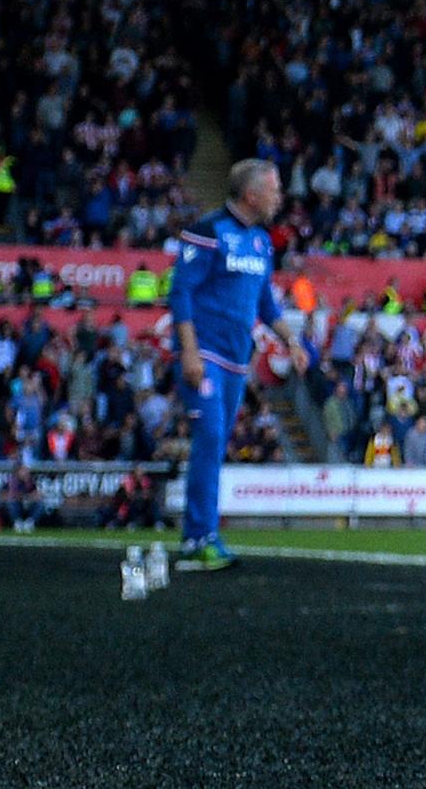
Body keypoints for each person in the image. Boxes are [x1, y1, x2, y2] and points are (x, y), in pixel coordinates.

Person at [169, 159, 288, 571]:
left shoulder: (261, 242)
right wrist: (188, 351)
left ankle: (200, 536)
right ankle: (199, 536)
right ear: (252, 194)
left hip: (236, 361)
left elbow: (267, 303)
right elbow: (180, 292)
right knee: (212, 434)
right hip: (205, 355)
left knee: (216, 444)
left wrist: (293, 341)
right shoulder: (207, 231)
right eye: (274, 190)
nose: (280, 198)